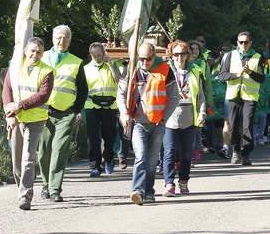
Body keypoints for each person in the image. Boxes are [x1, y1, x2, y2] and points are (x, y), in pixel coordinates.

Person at [118, 42, 178, 205]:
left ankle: (149, 192)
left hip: (158, 124)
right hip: (138, 123)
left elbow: (174, 96)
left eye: (148, 59)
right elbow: (121, 94)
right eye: (142, 59)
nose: (145, 62)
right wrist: (124, 113)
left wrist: (164, 118)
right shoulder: (131, 69)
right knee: (141, 156)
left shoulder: (166, 69)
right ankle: (137, 191)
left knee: (152, 161)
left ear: (154, 56)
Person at [3, 37, 54, 210]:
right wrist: (9, 113)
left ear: (42, 53)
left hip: (36, 120)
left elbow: (43, 95)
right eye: (32, 51)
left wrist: (21, 105)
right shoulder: (16, 67)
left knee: (27, 159)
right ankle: (21, 189)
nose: (35, 54)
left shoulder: (47, 71)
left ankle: (25, 196)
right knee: (16, 162)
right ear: (25, 51)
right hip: (16, 119)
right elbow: (7, 90)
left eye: (39, 52)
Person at [38, 25, 88, 202]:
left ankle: (55, 189)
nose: (62, 41)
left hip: (66, 113)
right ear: (52, 38)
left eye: (66, 38)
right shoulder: (41, 57)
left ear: (70, 40)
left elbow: (83, 89)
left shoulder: (76, 62)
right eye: (59, 37)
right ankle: (45, 184)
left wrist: (76, 110)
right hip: (43, 112)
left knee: (59, 150)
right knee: (43, 152)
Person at [163, 41, 207, 197]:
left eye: (182, 54)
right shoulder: (166, 71)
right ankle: (169, 183)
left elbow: (201, 95)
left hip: (189, 117)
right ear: (171, 55)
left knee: (186, 154)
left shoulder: (195, 71)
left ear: (188, 55)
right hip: (170, 117)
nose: (179, 57)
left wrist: (202, 112)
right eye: (176, 54)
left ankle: (183, 181)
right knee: (169, 152)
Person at [215, 32, 264, 165]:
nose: (244, 45)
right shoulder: (229, 55)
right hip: (233, 96)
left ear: (251, 43)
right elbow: (222, 75)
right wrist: (237, 74)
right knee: (234, 126)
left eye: (246, 42)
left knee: (247, 126)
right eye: (241, 42)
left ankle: (246, 154)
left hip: (250, 96)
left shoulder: (257, 56)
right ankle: (236, 150)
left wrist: (250, 72)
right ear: (237, 43)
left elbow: (262, 78)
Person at [83, 42, 122, 177]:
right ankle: (95, 165)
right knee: (94, 138)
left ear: (104, 54)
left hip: (110, 106)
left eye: (100, 55)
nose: (98, 58)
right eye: (95, 56)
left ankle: (109, 159)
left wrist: (111, 64)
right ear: (90, 55)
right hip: (91, 107)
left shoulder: (111, 66)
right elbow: (82, 90)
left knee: (109, 137)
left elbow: (119, 81)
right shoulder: (85, 69)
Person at [189, 41, 214, 157]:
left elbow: (208, 83)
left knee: (198, 126)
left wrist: (209, 101)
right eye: (192, 49)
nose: (195, 51)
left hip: (200, 96)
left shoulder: (203, 63)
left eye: (197, 49)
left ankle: (196, 150)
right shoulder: (185, 63)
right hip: (188, 98)